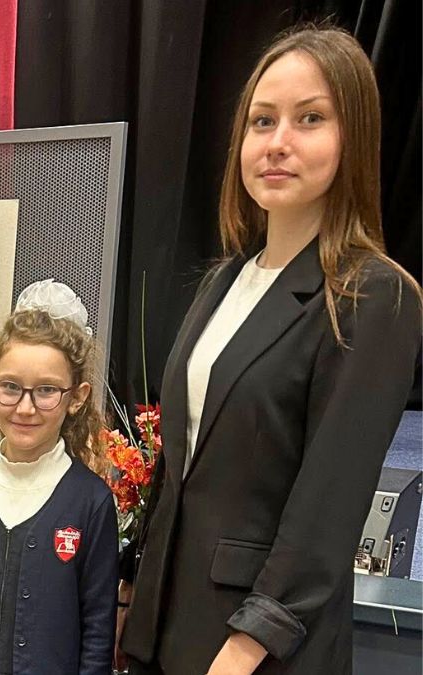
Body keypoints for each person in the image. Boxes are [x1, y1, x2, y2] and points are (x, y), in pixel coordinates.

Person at [117, 26, 422, 675]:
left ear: (354, 137)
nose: (278, 141)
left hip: (262, 650)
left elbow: (327, 506)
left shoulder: (373, 294)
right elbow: (182, 470)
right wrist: (133, 594)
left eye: (309, 118)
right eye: (262, 120)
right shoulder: (224, 281)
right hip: (169, 628)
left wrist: (246, 647)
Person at [0, 280, 118, 675]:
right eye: (11, 387)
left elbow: (98, 631)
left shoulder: (91, 502)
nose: (25, 408)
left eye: (46, 390)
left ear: (76, 397)